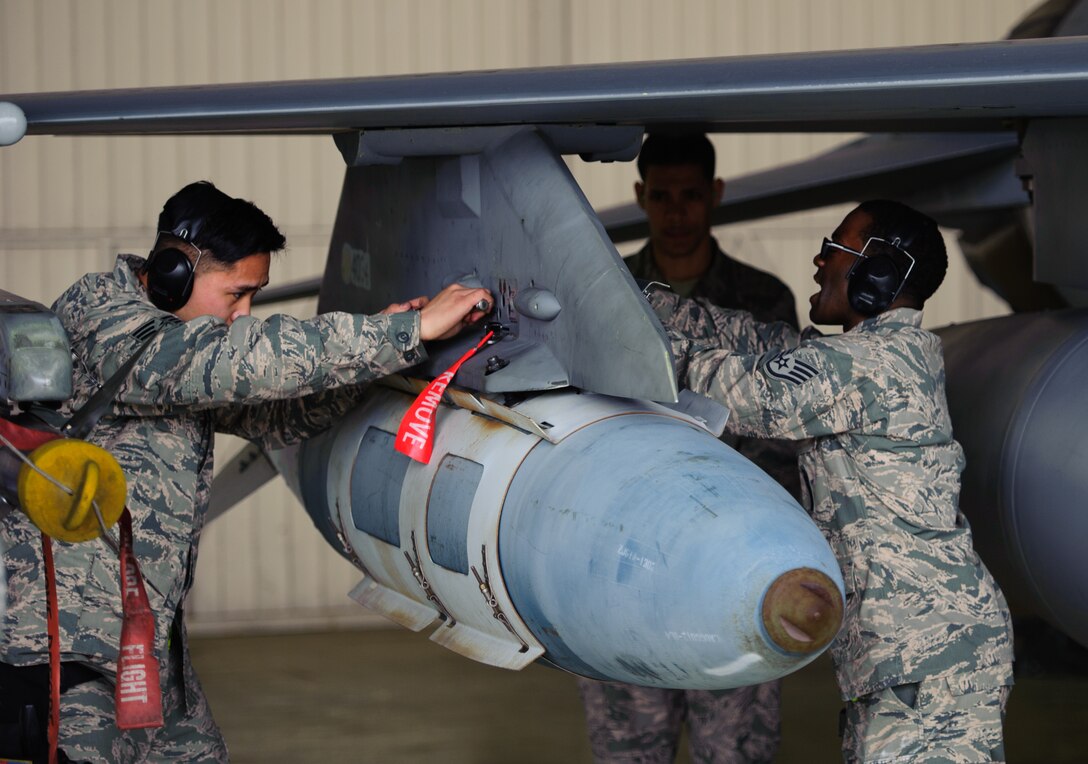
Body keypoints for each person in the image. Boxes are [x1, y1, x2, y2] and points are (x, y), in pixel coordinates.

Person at [0, 180, 492, 763]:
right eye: (236, 294)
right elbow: (231, 363)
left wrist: (388, 352)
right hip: (64, 648)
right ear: (175, 273)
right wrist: (403, 331)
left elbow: (277, 415)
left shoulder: (174, 344)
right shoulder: (106, 323)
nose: (243, 314)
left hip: (145, 643)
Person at [653, 199, 1015, 762]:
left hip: (928, 660)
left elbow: (742, 390)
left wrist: (633, 343)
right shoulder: (872, 354)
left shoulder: (871, 365)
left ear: (879, 273)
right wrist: (643, 302)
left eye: (834, 248)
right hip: (912, 658)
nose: (820, 261)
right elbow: (758, 342)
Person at [576, 133, 798, 764]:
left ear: (716, 194)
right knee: (630, 749)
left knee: (734, 751)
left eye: (691, 196)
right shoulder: (606, 296)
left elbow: (782, 443)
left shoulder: (763, 301)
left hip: (730, 571)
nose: (676, 213)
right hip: (622, 569)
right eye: (662, 197)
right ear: (640, 196)